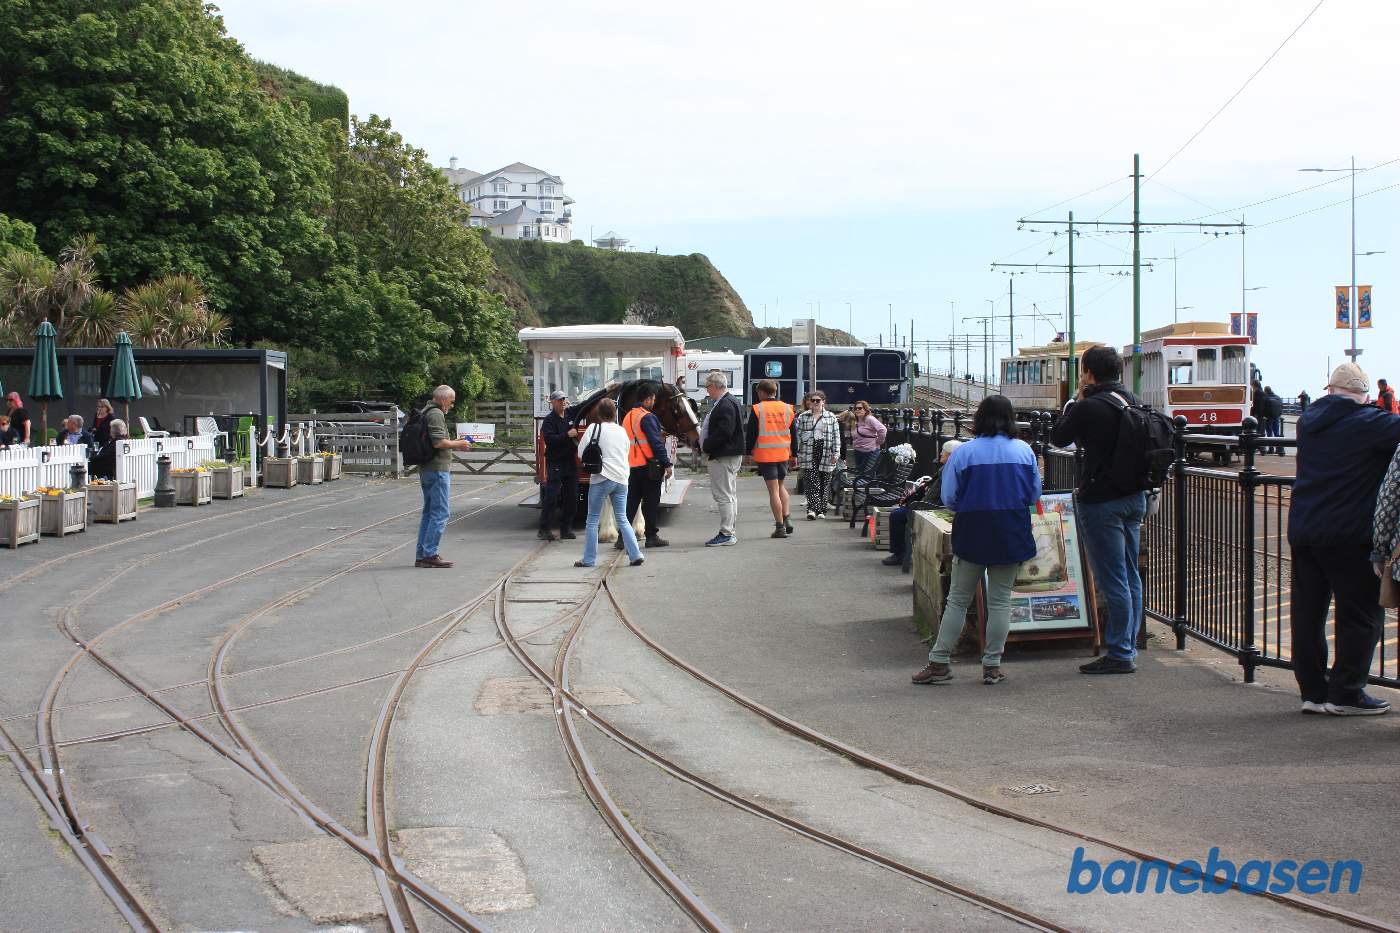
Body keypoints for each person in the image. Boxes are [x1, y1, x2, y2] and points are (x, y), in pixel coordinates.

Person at [1289, 363, 1400, 715]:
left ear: (1329, 389)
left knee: (1307, 613)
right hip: (1349, 532)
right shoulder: (1369, 422)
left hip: (1305, 528)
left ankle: (1313, 691)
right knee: (1360, 614)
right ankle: (1347, 693)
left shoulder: (1309, 419)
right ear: (1364, 394)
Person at [911, 396, 1040, 686]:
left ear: (979, 419)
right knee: (1001, 601)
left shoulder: (963, 453)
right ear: (1010, 418)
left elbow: (949, 497)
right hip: (1011, 529)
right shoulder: (1024, 451)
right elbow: (1033, 495)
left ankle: (939, 662)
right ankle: (992, 666)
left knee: (957, 599)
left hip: (972, 529)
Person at [1050, 346, 1148, 675]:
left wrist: (1078, 399)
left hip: (1102, 500)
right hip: (1135, 497)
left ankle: (1121, 653)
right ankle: (1129, 645)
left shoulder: (1088, 405)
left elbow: (1059, 438)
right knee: (1131, 576)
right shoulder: (1132, 400)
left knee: (1113, 579)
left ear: (1089, 373)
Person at [576, 398, 644, 567]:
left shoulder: (593, 428)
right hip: (621, 479)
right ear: (615, 413)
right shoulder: (622, 431)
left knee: (592, 520)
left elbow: (580, 452)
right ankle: (635, 554)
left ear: (599, 414)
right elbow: (626, 452)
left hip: (601, 478)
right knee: (623, 519)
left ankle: (589, 559)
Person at [414, 385, 473, 569]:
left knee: (429, 513)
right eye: (451, 401)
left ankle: (422, 554)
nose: (452, 405)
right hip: (437, 469)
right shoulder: (436, 414)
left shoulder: (425, 411)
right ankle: (430, 554)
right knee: (440, 513)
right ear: (442, 399)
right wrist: (460, 443)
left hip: (426, 468)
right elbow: (439, 442)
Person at [882, 439, 962, 568]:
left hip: (931, 508)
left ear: (951, 455)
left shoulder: (949, 469)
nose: (941, 454)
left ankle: (899, 554)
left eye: (944, 452)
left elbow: (946, 497)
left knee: (896, 516)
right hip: (927, 505)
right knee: (898, 514)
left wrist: (918, 503)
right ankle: (899, 553)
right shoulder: (947, 468)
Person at [621, 382, 672, 549]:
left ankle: (622, 538)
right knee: (650, 503)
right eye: (653, 399)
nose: (654, 402)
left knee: (631, 502)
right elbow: (655, 444)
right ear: (648, 399)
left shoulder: (628, 416)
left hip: (632, 466)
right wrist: (666, 463)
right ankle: (651, 536)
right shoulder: (647, 416)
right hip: (649, 467)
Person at [745, 379, 796, 538]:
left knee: (773, 491)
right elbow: (794, 434)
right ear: (775, 392)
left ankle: (780, 527)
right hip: (783, 454)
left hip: (766, 455)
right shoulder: (788, 408)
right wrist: (794, 454)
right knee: (781, 487)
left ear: (760, 392)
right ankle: (787, 518)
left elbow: (751, 433)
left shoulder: (757, 409)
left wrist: (747, 453)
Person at [699, 370, 743, 546]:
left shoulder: (725, 404)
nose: (707, 391)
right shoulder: (729, 401)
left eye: (707, 387)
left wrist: (707, 445)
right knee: (729, 494)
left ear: (714, 386)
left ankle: (727, 532)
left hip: (723, 455)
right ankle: (729, 529)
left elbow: (724, 431)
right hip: (728, 454)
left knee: (723, 495)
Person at [538, 390, 579, 541]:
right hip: (555, 462)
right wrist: (567, 435)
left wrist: (607, 391)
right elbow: (550, 440)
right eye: (559, 400)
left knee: (572, 497)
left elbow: (586, 405)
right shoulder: (549, 420)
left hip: (569, 461)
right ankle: (544, 529)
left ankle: (566, 529)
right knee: (552, 497)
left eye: (564, 400)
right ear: (553, 402)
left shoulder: (570, 414)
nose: (562, 402)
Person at [793, 390, 841, 519]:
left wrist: (836, 454)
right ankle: (812, 510)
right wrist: (797, 453)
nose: (814, 402)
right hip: (809, 450)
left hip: (826, 450)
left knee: (824, 481)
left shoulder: (831, 417)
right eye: (812, 400)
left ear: (823, 402)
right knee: (812, 481)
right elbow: (798, 436)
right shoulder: (803, 417)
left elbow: (836, 436)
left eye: (817, 400)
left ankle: (821, 510)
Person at [849, 401, 887, 476]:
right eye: (855, 408)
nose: (857, 410)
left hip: (870, 451)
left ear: (865, 410)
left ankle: (873, 487)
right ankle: (860, 487)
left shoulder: (870, 419)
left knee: (868, 476)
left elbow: (883, 429)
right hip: (858, 451)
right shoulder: (855, 420)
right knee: (859, 475)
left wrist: (878, 442)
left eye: (860, 408)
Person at [1263, 385, 1285, 455]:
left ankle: (1271, 449)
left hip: (1269, 418)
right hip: (1276, 417)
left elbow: (1263, 408)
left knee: (1269, 433)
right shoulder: (1278, 397)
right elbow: (1282, 406)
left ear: (1265, 391)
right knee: (1276, 433)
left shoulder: (1266, 397)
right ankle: (1279, 449)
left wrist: (1264, 415)